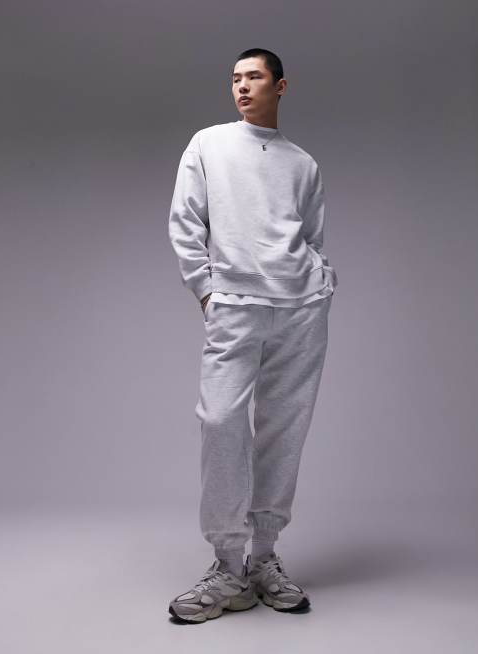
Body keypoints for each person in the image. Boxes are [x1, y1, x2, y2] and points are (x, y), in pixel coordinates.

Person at [167, 48, 338, 624]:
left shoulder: (303, 163)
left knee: (283, 430)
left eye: (254, 77)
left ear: (280, 86)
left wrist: (320, 281)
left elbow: (312, 236)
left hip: (300, 308)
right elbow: (185, 221)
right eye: (236, 78)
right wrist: (207, 291)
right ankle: (226, 565)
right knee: (221, 422)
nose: (242, 87)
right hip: (235, 306)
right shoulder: (209, 144)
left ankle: (263, 559)